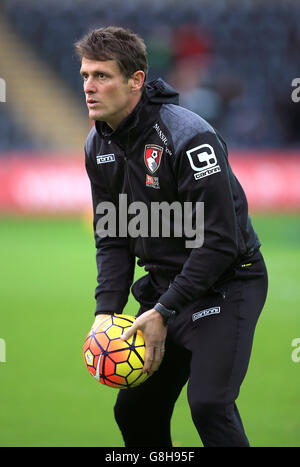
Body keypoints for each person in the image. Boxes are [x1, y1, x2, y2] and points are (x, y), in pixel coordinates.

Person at [75, 26, 268, 447]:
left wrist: (163, 311)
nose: (89, 86)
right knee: (135, 411)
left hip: (227, 285)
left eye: (102, 76)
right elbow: (113, 236)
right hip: (166, 288)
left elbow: (220, 242)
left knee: (210, 406)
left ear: (136, 81)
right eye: (86, 75)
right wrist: (106, 311)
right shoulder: (97, 145)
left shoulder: (188, 136)